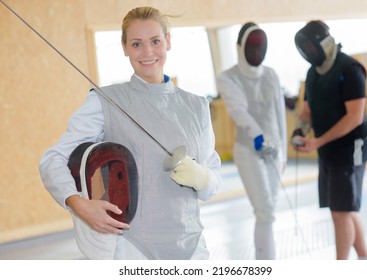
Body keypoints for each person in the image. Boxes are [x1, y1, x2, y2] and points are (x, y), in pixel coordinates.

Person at [39, 6, 222, 260]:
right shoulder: (105, 101)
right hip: (134, 249)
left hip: (193, 248)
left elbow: (211, 185)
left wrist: (203, 178)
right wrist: (77, 204)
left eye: (155, 41)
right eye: (137, 44)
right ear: (124, 47)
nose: (147, 52)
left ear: (168, 42)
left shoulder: (197, 106)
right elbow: (52, 159)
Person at [292, 20, 367, 260]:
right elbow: (307, 112)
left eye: (311, 47)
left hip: (350, 150)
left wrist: (319, 141)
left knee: (340, 212)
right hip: (327, 150)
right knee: (343, 209)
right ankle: (366, 259)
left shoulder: (350, 69)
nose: (309, 53)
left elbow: (355, 118)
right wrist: (300, 132)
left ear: (324, 43)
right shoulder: (312, 74)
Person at [216, 22, 287, 260]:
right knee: (265, 210)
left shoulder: (271, 75)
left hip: (275, 151)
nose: (256, 53)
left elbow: (279, 115)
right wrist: (257, 134)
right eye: (252, 47)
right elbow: (238, 110)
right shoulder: (228, 77)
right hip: (249, 150)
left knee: (269, 211)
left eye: (260, 48)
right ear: (240, 47)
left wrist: (283, 152)